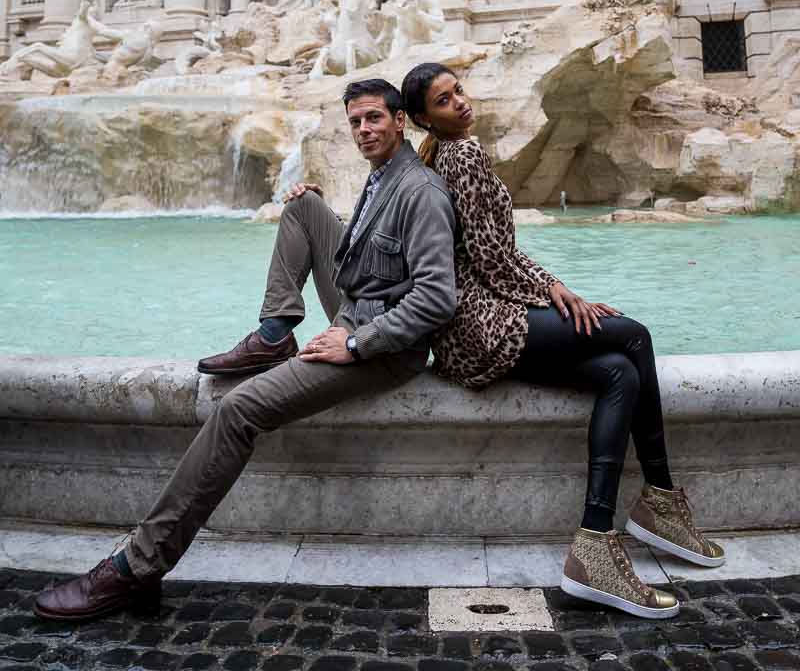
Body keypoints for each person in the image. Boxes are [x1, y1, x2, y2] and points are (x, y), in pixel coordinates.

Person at [33, 78, 456, 621]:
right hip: (358, 305)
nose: (363, 130)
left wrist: (354, 343)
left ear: (400, 120)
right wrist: (332, 223)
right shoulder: (382, 178)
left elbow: (437, 298)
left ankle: (138, 568)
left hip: (382, 349)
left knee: (237, 410)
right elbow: (377, 259)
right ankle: (275, 335)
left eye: (374, 118)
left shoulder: (422, 191)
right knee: (304, 209)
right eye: (354, 122)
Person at [400, 62, 725, 620]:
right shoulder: (462, 156)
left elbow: (491, 254)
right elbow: (493, 258)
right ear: (423, 118)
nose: (462, 103)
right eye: (445, 100)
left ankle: (595, 544)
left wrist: (556, 288)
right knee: (635, 336)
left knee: (618, 372)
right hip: (482, 324)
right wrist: (557, 291)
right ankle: (660, 503)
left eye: (459, 91)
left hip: (461, 332)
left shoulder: (437, 155)